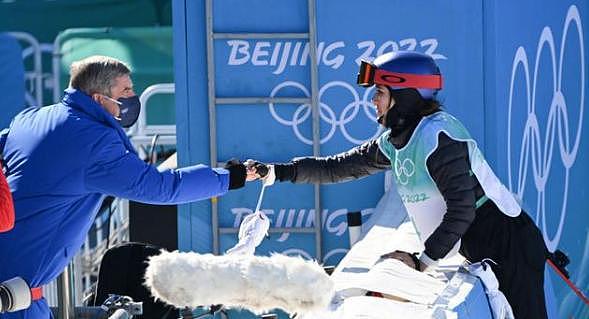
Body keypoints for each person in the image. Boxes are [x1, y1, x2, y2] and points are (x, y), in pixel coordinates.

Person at [247, 51, 548, 319]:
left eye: (380, 92)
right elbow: (337, 167)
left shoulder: (439, 138)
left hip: (510, 245)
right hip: (483, 245)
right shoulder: (396, 141)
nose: (373, 100)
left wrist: (422, 262)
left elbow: (462, 210)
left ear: (404, 96)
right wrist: (276, 172)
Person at [0, 55, 248, 318]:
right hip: (18, 296)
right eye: (126, 91)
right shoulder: (94, 142)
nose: (133, 97)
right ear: (98, 98)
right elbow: (161, 187)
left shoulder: (29, 119)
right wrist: (227, 178)